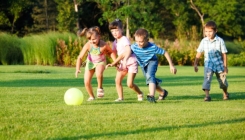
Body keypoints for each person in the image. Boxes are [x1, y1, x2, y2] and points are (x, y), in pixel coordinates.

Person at [108, 28, 177, 103]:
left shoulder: (152, 47)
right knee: (150, 79)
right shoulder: (135, 46)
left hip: (152, 61)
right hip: (143, 64)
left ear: (147, 40)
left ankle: (151, 96)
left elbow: (165, 52)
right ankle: (163, 92)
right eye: (136, 41)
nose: (138, 43)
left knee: (150, 76)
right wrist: (116, 62)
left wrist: (171, 65)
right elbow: (124, 54)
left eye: (141, 42)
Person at [75, 26, 116, 101]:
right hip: (90, 62)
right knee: (86, 82)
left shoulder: (103, 45)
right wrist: (77, 68)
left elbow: (110, 53)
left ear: (99, 37)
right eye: (89, 39)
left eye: (94, 39)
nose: (91, 41)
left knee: (98, 73)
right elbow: (80, 57)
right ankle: (91, 96)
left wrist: (115, 62)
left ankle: (100, 87)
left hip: (101, 62)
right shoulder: (88, 45)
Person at [107, 19, 143, 102]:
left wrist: (125, 60)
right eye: (112, 31)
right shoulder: (115, 42)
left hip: (131, 62)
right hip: (123, 64)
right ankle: (120, 98)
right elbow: (114, 53)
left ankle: (140, 93)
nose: (114, 33)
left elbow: (128, 50)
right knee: (117, 80)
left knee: (129, 84)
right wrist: (115, 63)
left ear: (121, 30)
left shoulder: (124, 39)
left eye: (116, 30)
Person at [194, 21, 229, 101]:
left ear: (215, 31)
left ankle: (225, 93)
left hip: (219, 64)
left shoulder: (220, 41)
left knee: (223, 82)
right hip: (208, 64)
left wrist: (225, 66)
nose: (208, 33)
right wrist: (195, 64)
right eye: (206, 31)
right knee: (207, 78)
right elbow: (199, 52)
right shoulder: (203, 41)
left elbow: (224, 54)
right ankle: (207, 96)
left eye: (210, 31)